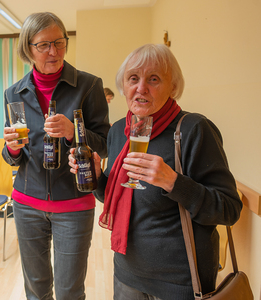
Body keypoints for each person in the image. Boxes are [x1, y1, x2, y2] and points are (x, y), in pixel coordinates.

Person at [68, 44, 243, 300]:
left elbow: (229, 210)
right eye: (133, 79)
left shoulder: (193, 130)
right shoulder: (119, 131)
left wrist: (173, 182)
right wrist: (96, 179)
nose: (141, 88)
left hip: (179, 281)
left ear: (173, 87)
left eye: (153, 79)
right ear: (123, 86)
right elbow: (117, 198)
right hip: (127, 274)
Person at [2, 12, 110, 300]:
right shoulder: (13, 93)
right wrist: (12, 148)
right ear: (28, 49)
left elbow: (106, 145)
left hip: (74, 205)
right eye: (44, 45)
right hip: (26, 204)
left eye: (59, 42)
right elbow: (14, 155)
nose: (54, 51)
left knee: (69, 292)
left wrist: (74, 131)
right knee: (36, 290)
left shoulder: (89, 85)